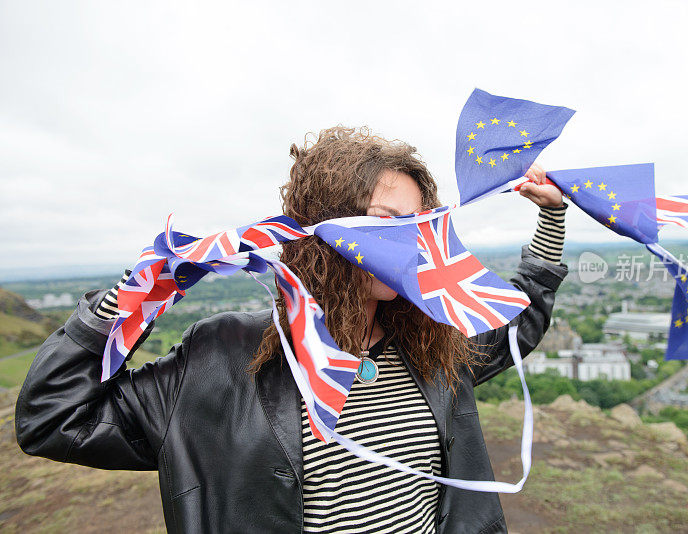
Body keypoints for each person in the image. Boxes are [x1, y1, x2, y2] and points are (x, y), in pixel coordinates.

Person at [16, 126, 569, 533]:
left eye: (418, 221)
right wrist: (128, 296)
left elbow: (515, 329)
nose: (410, 239)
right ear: (320, 229)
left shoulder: (433, 344)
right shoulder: (220, 358)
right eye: (383, 220)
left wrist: (552, 220)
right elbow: (54, 417)